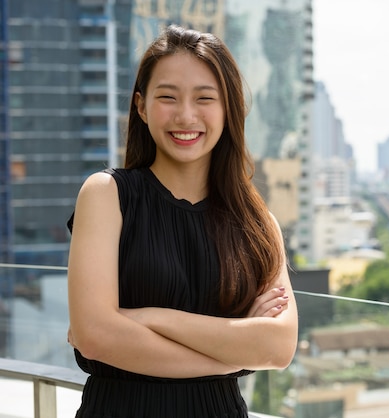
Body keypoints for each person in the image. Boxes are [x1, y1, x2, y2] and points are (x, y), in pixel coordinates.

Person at [66, 25, 298, 417]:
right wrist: (232, 359)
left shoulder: (258, 225)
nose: (185, 116)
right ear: (141, 106)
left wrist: (150, 318)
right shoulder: (106, 195)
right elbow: (96, 338)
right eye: (167, 97)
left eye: (205, 98)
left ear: (229, 108)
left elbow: (277, 348)